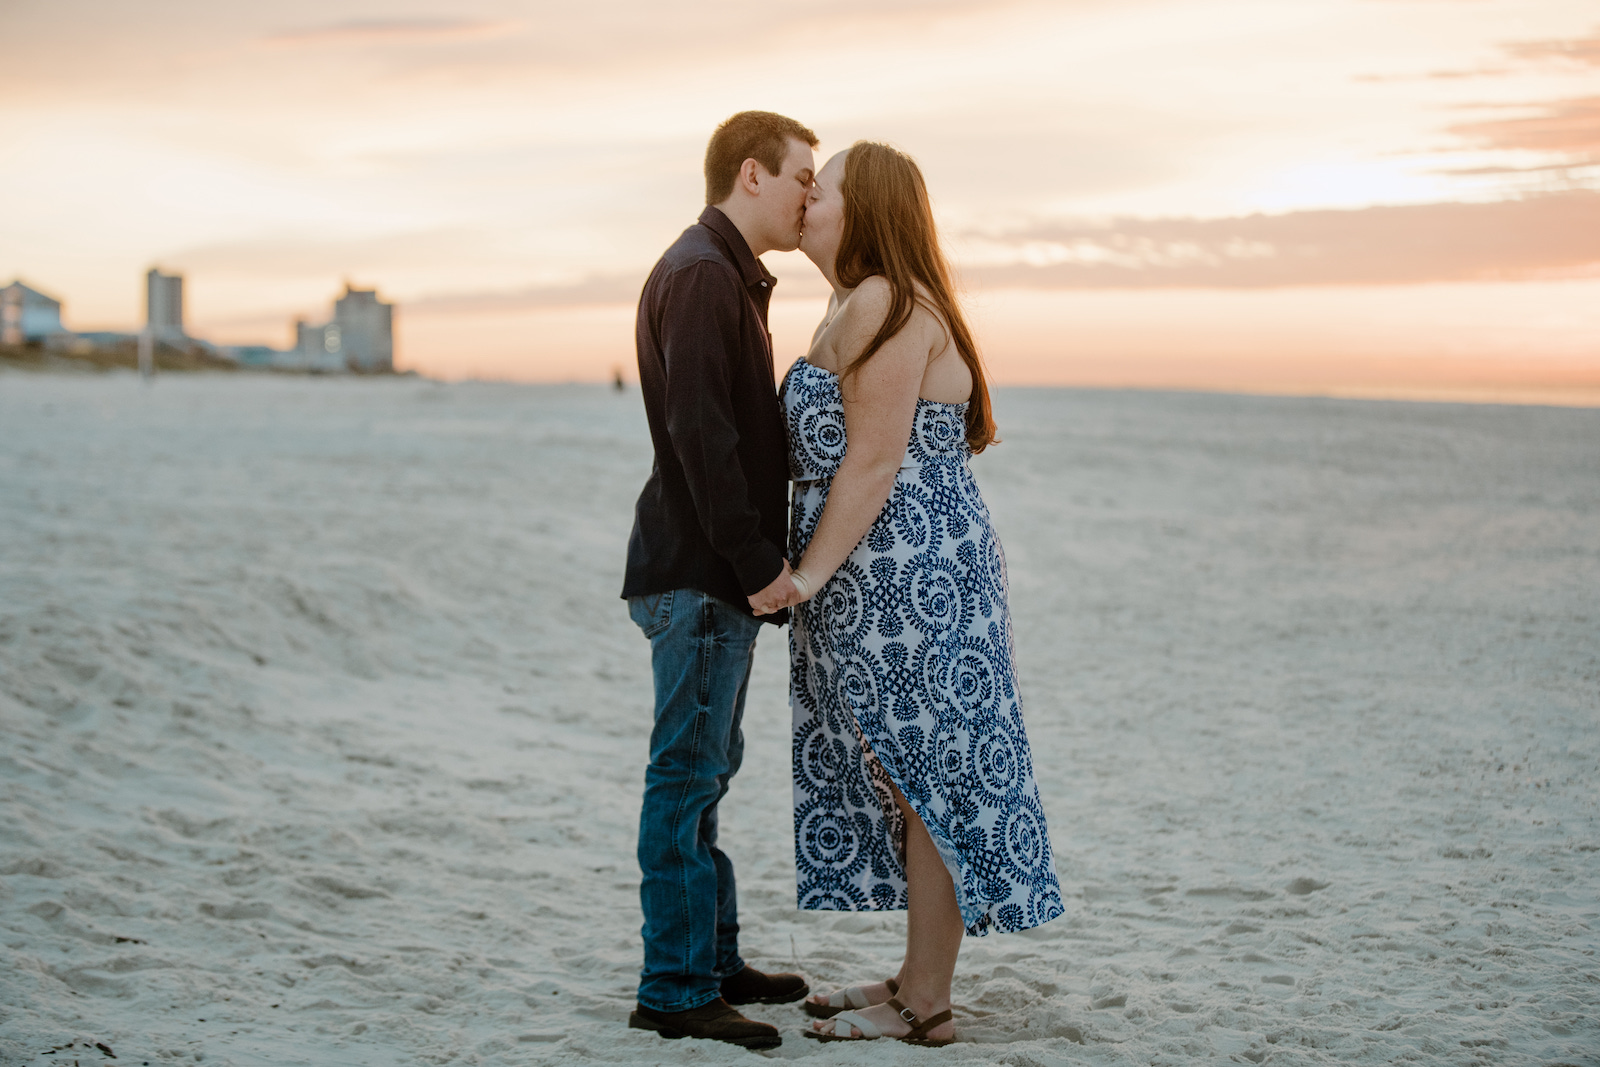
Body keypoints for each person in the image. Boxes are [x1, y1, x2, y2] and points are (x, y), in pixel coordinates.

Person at [765, 141, 1065, 1046]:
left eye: (823, 190)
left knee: (927, 774)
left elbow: (874, 460)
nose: (807, 201)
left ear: (866, 208)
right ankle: (913, 972)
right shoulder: (854, 300)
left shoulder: (889, 300)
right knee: (906, 772)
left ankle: (926, 1000)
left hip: (915, 573)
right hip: (883, 571)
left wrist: (806, 575)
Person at [620, 111, 819, 1051]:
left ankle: (713, 958)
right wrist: (758, 564)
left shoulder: (721, 272)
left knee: (705, 773)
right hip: (702, 573)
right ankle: (674, 987)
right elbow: (702, 436)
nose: (810, 195)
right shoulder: (703, 275)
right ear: (752, 174)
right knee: (685, 777)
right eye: (802, 177)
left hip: (702, 572)